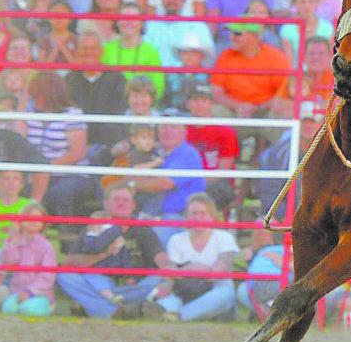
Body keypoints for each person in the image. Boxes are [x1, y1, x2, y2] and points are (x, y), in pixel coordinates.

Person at [57, 183, 173, 319]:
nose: (121, 203)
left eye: (126, 200)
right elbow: (71, 262)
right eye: (116, 199)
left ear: (133, 205)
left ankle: (98, 307)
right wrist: (104, 254)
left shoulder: (143, 229)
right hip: (99, 285)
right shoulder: (94, 228)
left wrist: (168, 267)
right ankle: (117, 311)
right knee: (65, 276)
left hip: (132, 287)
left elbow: (159, 255)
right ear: (106, 204)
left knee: (158, 279)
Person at [147, 193, 238, 321]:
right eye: (193, 213)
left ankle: (179, 316)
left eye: (203, 213)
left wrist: (188, 270)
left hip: (215, 288)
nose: (198, 218)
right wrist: (191, 268)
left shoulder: (224, 237)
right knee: (166, 300)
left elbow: (219, 271)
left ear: (212, 216)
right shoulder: (176, 239)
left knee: (226, 294)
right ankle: (166, 312)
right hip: (184, 289)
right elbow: (171, 273)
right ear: (186, 216)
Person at [23, 72, 98, 223]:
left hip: (69, 172)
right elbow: (19, 138)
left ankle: (65, 231)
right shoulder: (29, 112)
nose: (33, 99)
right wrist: (22, 101)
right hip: (36, 172)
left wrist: (47, 167)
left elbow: (78, 153)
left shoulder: (73, 114)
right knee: (21, 189)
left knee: (59, 193)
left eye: (36, 96)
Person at [125, 111, 206, 245]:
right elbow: (130, 173)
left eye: (174, 127)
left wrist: (131, 185)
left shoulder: (187, 154)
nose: (168, 131)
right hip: (147, 212)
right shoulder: (153, 152)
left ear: (184, 133)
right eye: (163, 126)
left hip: (178, 216)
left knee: (152, 241)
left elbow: (164, 183)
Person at [210, 21, 290, 117]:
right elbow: (216, 92)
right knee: (215, 110)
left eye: (237, 34)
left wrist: (258, 107)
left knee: (284, 107)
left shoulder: (275, 57)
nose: (231, 37)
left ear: (253, 36)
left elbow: (284, 92)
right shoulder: (225, 56)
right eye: (231, 33)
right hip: (233, 110)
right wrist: (238, 106)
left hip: (266, 110)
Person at [185, 84, 239, 211]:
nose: (199, 104)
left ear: (211, 104)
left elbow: (223, 170)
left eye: (204, 100)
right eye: (195, 100)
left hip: (215, 184)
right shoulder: (181, 130)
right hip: (187, 181)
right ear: (188, 104)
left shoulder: (225, 131)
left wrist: (196, 184)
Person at [0, 202, 56, 317]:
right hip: (18, 291)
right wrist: (14, 238)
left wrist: (30, 292)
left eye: (37, 218)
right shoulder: (14, 241)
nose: (32, 221)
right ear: (20, 221)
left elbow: (47, 276)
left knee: (28, 310)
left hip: (39, 293)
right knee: (8, 309)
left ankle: (48, 306)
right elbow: (8, 261)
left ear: (43, 223)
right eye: (28, 217)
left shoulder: (46, 246)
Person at [101, 3, 165, 99]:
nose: (129, 22)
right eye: (124, 18)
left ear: (141, 23)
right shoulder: (106, 49)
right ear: (117, 22)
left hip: (141, 104)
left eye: (133, 18)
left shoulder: (151, 51)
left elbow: (158, 87)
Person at [143, 0, 213, 68]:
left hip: (185, 73)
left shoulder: (196, 25)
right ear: (161, 0)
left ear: (184, 0)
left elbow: (208, 58)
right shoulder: (151, 25)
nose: (171, 1)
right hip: (156, 72)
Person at [73, 210, 133, 305]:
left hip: (112, 272)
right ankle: (111, 297)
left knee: (98, 281)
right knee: (94, 279)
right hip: (94, 270)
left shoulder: (115, 238)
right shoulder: (90, 238)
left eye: (104, 225)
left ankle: (111, 300)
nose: (100, 227)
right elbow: (90, 250)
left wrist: (129, 274)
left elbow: (124, 256)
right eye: (95, 224)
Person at [280, 0, 334, 66]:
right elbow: (289, 62)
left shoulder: (328, 28)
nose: (307, 6)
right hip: (296, 72)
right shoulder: (287, 29)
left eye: (311, 2)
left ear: (317, 3)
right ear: (295, 4)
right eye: (302, 2)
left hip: (321, 72)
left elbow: (329, 59)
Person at [163, 32, 213, 110]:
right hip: (174, 113)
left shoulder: (209, 76)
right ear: (180, 55)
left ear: (201, 56)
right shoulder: (172, 76)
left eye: (193, 53)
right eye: (185, 53)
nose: (189, 57)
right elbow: (165, 100)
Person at [0, 171, 33, 246]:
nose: (11, 183)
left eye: (16, 178)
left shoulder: (30, 206)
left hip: (21, 249)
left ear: (22, 183)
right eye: (6, 178)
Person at [35, 0, 78, 64]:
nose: (59, 17)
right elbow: (42, 67)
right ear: (48, 17)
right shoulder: (43, 40)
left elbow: (78, 65)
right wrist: (56, 49)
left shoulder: (76, 39)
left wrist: (63, 48)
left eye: (63, 14)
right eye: (55, 13)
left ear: (70, 17)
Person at [298, 36, 334, 106]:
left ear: (330, 57)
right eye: (311, 53)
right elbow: (277, 104)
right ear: (304, 56)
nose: (316, 57)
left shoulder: (339, 81)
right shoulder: (295, 78)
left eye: (321, 53)